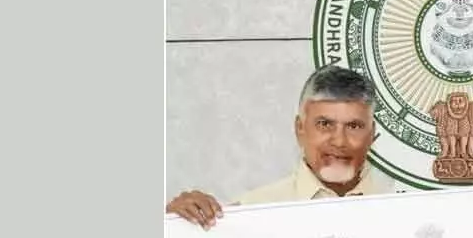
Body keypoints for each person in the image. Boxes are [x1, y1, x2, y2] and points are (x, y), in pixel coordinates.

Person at [166, 65, 394, 227]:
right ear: (300, 129)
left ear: (372, 135)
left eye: (354, 126)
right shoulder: (250, 212)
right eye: (325, 124)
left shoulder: (405, 209)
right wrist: (174, 228)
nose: (339, 141)